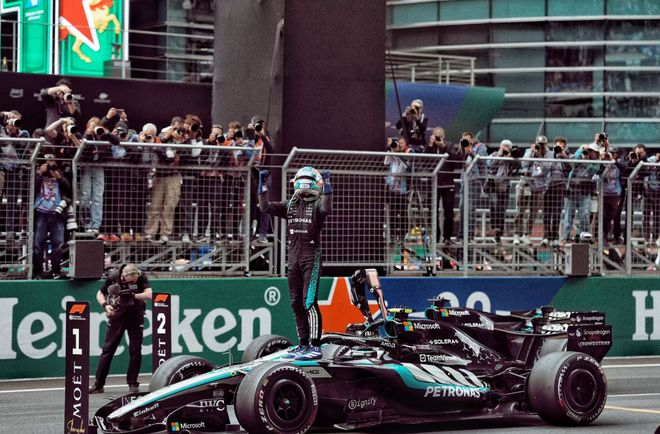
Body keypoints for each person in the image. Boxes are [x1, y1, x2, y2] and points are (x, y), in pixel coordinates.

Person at [258, 166, 332, 360]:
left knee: (309, 303)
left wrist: (328, 186)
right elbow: (265, 208)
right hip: (293, 259)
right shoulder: (289, 204)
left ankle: (315, 346)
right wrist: (262, 186)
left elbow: (326, 208)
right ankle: (303, 344)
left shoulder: (317, 205)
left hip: (311, 258)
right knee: (295, 303)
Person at [89, 263, 152, 394]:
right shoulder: (113, 277)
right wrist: (105, 306)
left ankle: (133, 383)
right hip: (117, 316)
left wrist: (132, 296)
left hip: (136, 316)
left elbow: (148, 294)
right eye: (131, 280)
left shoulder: (141, 276)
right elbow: (99, 294)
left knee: (135, 350)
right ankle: (98, 384)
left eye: (135, 280)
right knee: (108, 350)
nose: (134, 281)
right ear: (123, 276)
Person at [32, 154, 71, 279]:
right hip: (41, 212)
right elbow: (30, 188)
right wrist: (39, 173)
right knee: (38, 244)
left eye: (52, 161)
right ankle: (37, 272)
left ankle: (55, 271)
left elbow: (68, 189)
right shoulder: (37, 173)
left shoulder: (59, 173)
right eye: (47, 161)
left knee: (58, 244)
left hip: (57, 212)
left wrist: (59, 178)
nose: (50, 164)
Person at [425, 127, 459, 243]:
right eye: (436, 136)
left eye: (440, 136)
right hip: (433, 184)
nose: (438, 139)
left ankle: (447, 237)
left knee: (448, 212)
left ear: (444, 137)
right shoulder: (430, 147)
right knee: (432, 212)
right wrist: (430, 146)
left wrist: (443, 147)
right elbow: (425, 161)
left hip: (448, 184)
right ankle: (436, 236)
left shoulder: (449, 146)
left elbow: (454, 161)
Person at [384, 135, 413, 242]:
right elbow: (385, 162)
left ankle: (402, 234)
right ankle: (392, 235)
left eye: (401, 143)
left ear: (405, 144)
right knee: (392, 213)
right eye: (397, 143)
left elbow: (407, 166)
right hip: (392, 189)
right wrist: (390, 148)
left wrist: (399, 153)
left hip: (403, 190)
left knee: (403, 213)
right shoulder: (392, 154)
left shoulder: (408, 153)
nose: (399, 145)